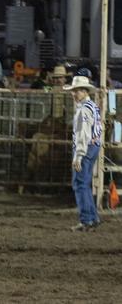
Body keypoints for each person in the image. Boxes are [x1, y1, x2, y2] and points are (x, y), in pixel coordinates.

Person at [64, 75, 102, 232]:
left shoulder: (82, 110)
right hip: (94, 147)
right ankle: (92, 218)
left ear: (84, 91)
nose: (74, 94)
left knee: (79, 183)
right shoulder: (92, 106)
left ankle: (86, 220)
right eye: (73, 91)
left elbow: (82, 134)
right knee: (84, 183)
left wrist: (78, 155)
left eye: (77, 91)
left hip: (85, 148)